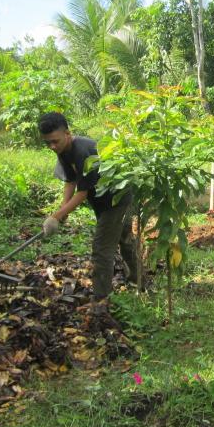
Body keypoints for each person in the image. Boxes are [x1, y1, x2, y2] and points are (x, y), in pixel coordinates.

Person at [39, 112, 137, 301]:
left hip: (117, 201)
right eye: (47, 143)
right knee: (124, 239)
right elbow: (70, 181)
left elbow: (82, 193)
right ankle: (137, 279)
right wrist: (62, 210)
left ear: (67, 133)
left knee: (101, 250)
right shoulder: (63, 151)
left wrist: (57, 216)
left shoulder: (82, 151)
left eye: (55, 141)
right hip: (103, 201)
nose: (52, 146)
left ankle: (102, 299)